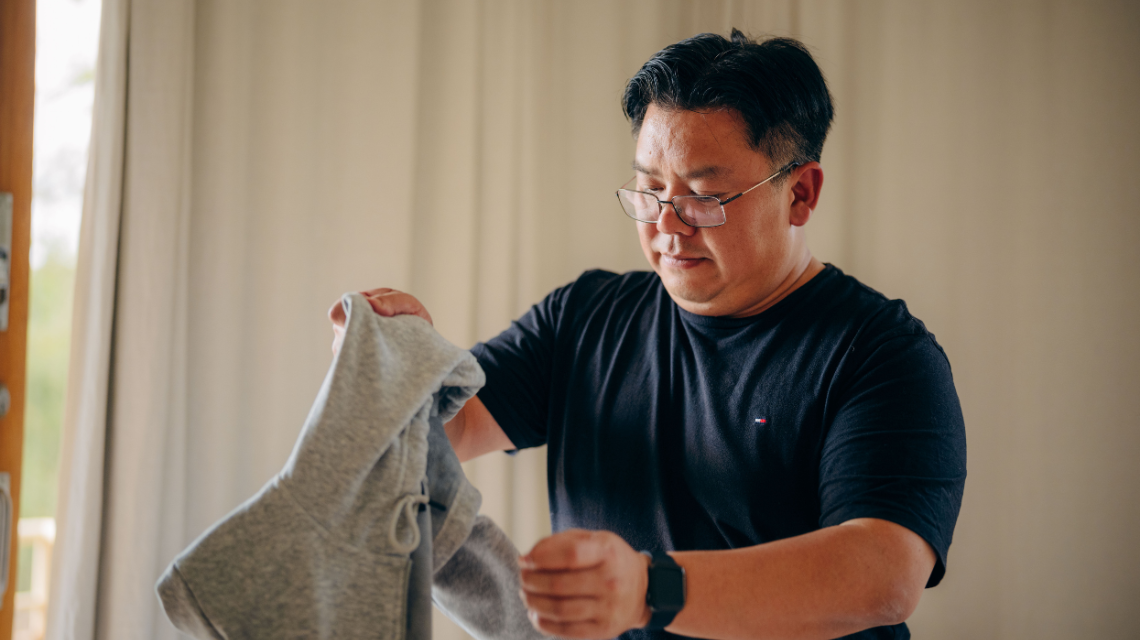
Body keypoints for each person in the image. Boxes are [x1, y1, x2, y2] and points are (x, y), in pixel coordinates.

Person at [331, 30, 966, 640]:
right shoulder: (584, 316)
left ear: (800, 193)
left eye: (703, 196)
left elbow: (881, 574)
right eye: (650, 188)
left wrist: (647, 589)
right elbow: (452, 429)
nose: (666, 224)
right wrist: (391, 365)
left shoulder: (883, 355)